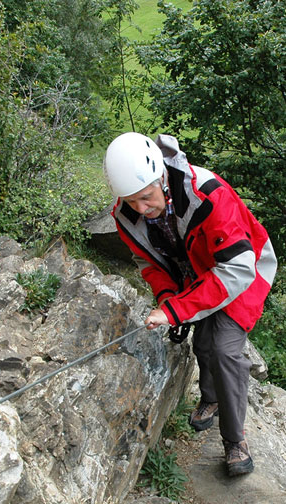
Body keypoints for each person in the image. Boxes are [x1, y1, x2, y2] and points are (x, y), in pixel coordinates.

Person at [103, 132, 277, 476]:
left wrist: (177, 309)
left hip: (242, 271)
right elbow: (148, 263)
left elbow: (237, 269)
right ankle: (210, 398)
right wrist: (168, 298)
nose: (140, 208)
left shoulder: (209, 196)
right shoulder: (126, 215)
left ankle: (234, 441)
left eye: (146, 197)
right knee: (202, 343)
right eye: (131, 201)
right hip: (194, 275)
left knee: (224, 349)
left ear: (162, 178)